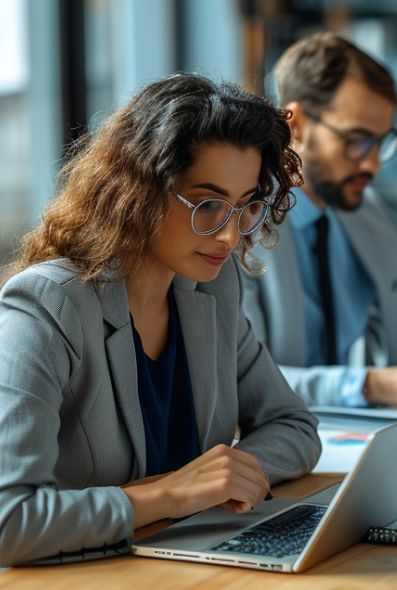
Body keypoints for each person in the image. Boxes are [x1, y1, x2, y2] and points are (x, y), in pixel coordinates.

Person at [0, 73, 321, 566]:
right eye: (208, 204)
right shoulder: (48, 304)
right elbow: (9, 520)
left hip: (185, 564)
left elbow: (294, 426)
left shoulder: (212, 287)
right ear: (139, 192)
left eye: (244, 206)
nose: (229, 236)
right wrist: (167, 496)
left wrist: (224, 478)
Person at [243, 31, 397, 408]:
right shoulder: (238, 228)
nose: (373, 163)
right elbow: (242, 382)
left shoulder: (370, 213)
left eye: (381, 142)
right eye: (357, 141)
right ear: (296, 127)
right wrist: (368, 386)